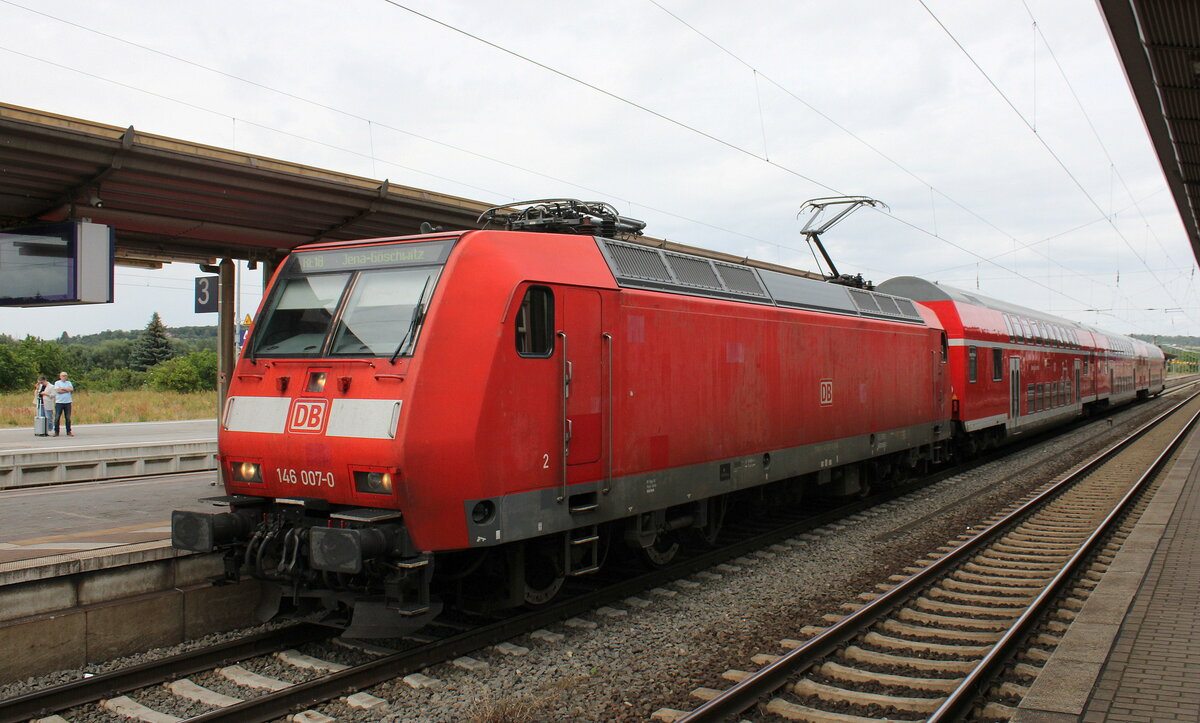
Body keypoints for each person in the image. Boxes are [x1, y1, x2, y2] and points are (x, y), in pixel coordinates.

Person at [52, 370, 74, 437]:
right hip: (59, 402)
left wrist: (63, 389)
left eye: (65, 376)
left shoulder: (69, 382)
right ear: (60, 376)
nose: (64, 377)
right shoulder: (57, 383)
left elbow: (71, 389)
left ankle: (68, 431)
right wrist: (66, 390)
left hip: (68, 402)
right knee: (57, 417)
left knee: (68, 418)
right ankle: (56, 432)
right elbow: (58, 391)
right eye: (63, 376)